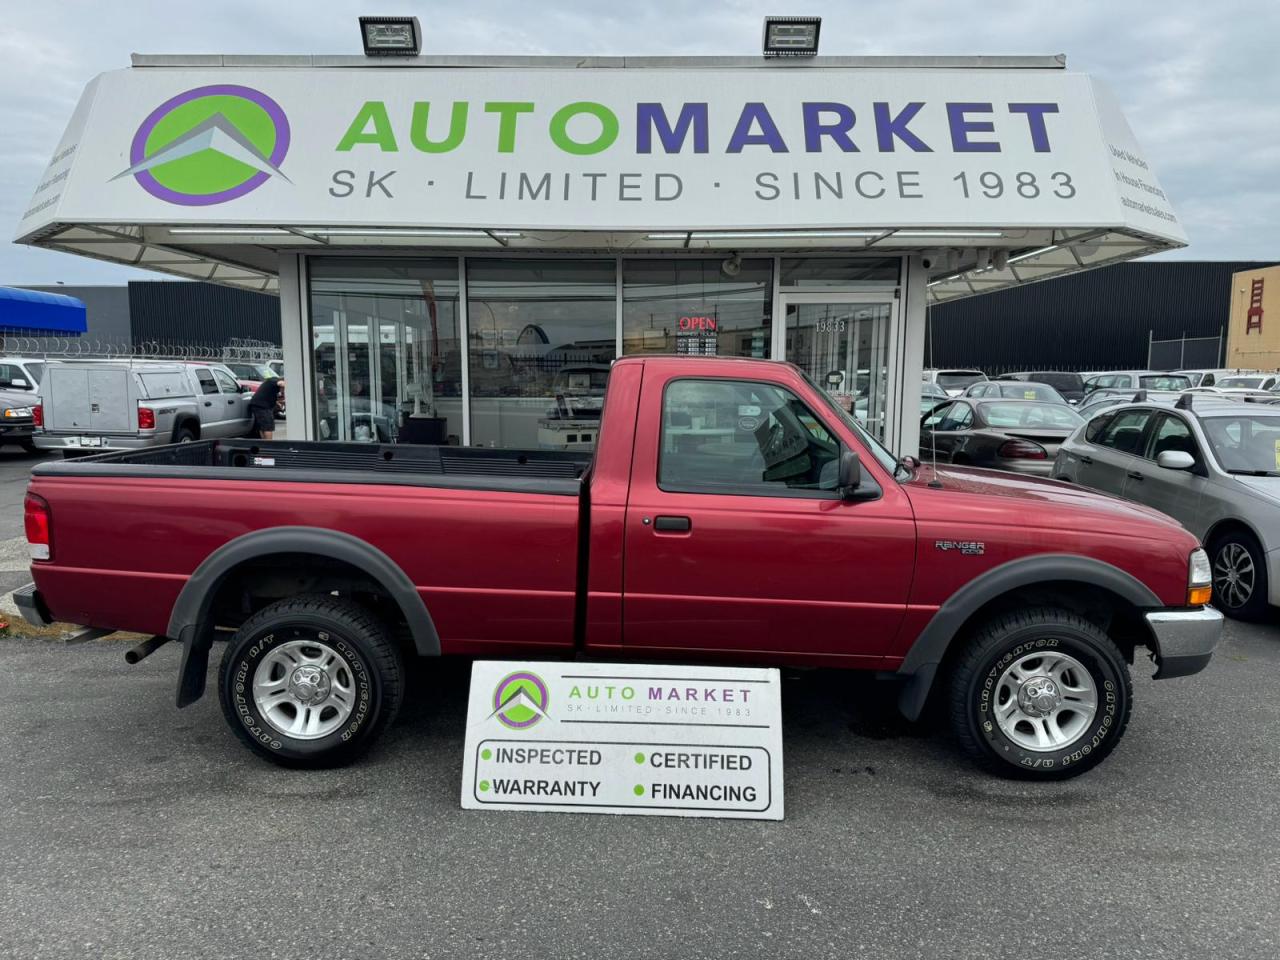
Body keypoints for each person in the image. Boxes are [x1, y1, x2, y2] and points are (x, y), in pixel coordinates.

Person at [249, 375, 285, 440]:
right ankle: (269, 445)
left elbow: (268, 395)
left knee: (262, 427)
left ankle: (264, 444)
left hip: (258, 405)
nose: (283, 391)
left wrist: (277, 403)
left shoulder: (272, 385)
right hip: (262, 406)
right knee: (268, 426)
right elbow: (281, 383)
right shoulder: (274, 381)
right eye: (284, 389)